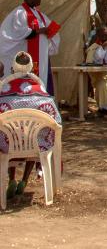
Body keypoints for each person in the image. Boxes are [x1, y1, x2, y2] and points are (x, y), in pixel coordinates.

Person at [0, 52, 62, 199]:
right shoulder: (41, 91)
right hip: (36, 145)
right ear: (32, 68)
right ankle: (25, 180)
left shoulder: (3, 91)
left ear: (12, 68)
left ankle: (12, 179)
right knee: (35, 134)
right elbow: (56, 121)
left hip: (9, 145)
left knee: (10, 133)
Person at [0, 0, 60, 94]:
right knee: (26, 84)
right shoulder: (19, 12)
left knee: (40, 81)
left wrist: (52, 32)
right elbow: (19, 32)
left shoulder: (38, 14)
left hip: (40, 57)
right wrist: (40, 30)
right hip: (27, 55)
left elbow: (51, 28)